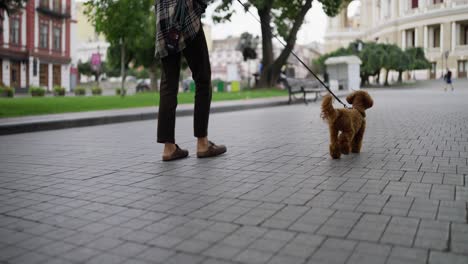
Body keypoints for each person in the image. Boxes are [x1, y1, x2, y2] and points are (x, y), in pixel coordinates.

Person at [155, 0, 226, 161]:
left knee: (168, 84)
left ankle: (169, 147)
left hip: (164, 18)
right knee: (203, 79)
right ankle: (202, 143)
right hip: (185, 15)